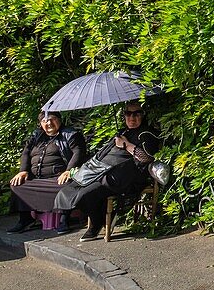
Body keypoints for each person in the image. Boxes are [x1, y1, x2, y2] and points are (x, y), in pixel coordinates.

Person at [55, 102, 160, 241]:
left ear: (142, 115)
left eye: (136, 114)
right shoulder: (122, 132)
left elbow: (146, 158)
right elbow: (102, 154)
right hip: (101, 170)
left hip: (123, 175)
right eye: (128, 114)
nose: (132, 118)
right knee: (67, 192)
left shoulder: (147, 133)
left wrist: (126, 144)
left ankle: (97, 224)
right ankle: (101, 218)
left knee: (85, 194)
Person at [8, 110, 87, 233]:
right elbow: (26, 152)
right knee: (17, 184)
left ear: (59, 120)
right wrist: (23, 171)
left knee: (65, 185)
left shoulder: (71, 134)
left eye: (52, 119)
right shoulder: (36, 136)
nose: (48, 123)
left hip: (58, 178)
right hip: (36, 179)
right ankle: (25, 219)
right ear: (40, 124)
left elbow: (79, 152)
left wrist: (68, 171)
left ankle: (63, 219)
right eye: (44, 121)